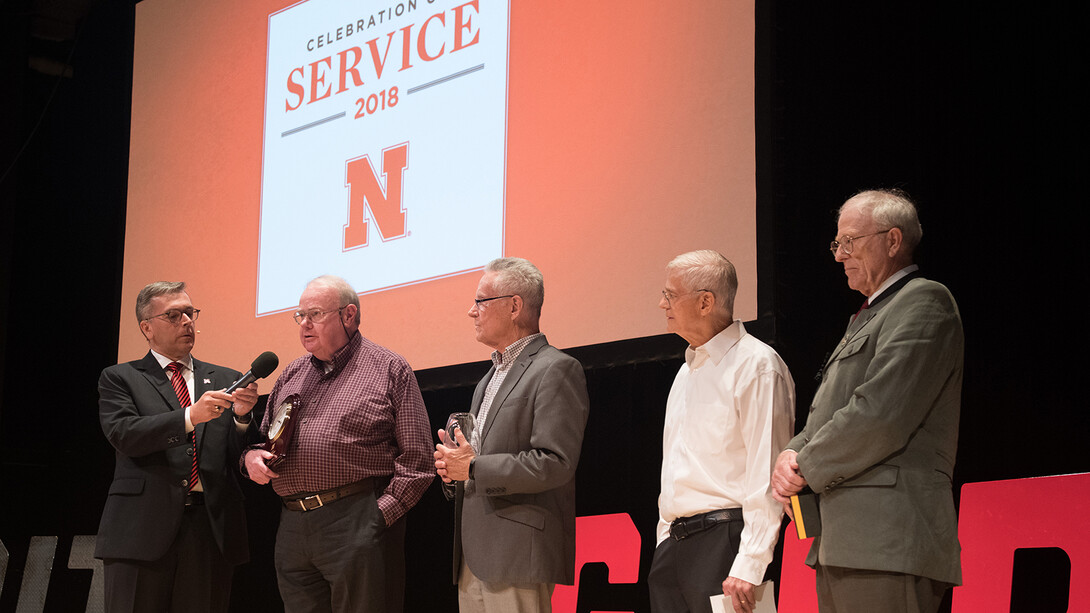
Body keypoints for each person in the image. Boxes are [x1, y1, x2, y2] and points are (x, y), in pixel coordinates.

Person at [771, 189, 963, 613]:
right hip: (844, 541)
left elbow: (881, 414)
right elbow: (832, 412)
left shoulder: (924, 301)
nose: (839, 255)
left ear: (893, 241)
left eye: (850, 242)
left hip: (889, 539)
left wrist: (804, 465)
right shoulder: (867, 315)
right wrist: (790, 451)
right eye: (837, 244)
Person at [243, 275, 433, 613]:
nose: (304, 324)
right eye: (299, 316)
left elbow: (417, 462)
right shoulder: (290, 374)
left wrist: (377, 517)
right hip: (293, 525)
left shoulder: (389, 368)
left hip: (356, 518)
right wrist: (250, 456)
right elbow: (263, 440)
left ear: (348, 315)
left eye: (314, 314)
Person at [433, 257, 590, 613]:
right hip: (474, 556)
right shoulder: (488, 379)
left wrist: (472, 468)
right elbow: (477, 460)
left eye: (480, 302)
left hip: (518, 553)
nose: (471, 312)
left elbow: (554, 463)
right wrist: (453, 470)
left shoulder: (555, 368)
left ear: (514, 306)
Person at [96, 281, 260, 612]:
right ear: (147, 328)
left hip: (208, 529)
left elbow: (237, 454)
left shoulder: (226, 379)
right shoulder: (120, 377)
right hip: (140, 529)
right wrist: (189, 416)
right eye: (173, 315)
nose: (186, 321)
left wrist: (242, 418)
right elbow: (124, 433)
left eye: (190, 312)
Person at [648, 251, 796, 613]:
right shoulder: (687, 371)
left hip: (726, 543)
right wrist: (664, 540)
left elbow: (766, 471)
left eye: (670, 294)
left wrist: (751, 561)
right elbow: (675, 470)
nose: (661, 303)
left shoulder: (757, 365)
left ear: (705, 302)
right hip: (675, 548)